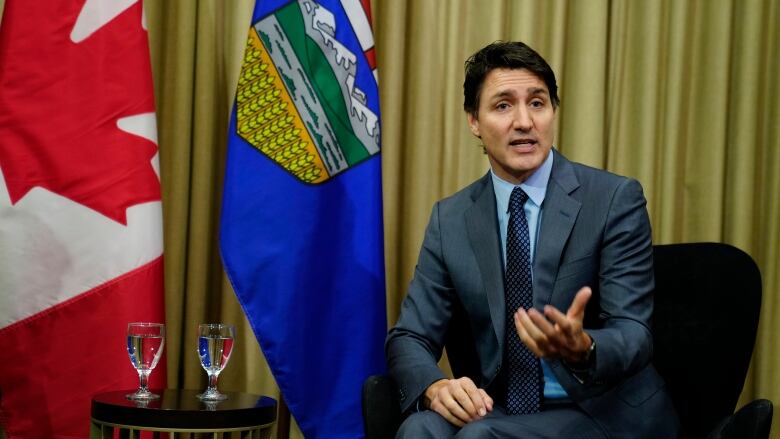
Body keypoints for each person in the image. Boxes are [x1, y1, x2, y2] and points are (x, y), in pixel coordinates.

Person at [385, 41, 680, 438]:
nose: (524, 122)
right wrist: (437, 387)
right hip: (503, 408)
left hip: (602, 409)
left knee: (479, 437)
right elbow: (410, 336)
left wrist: (584, 347)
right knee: (419, 428)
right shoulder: (451, 219)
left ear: (553, 112)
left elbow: (633, 332)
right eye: (503, 105)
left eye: (537, 103)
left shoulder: (612, 199)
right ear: (474, 120)